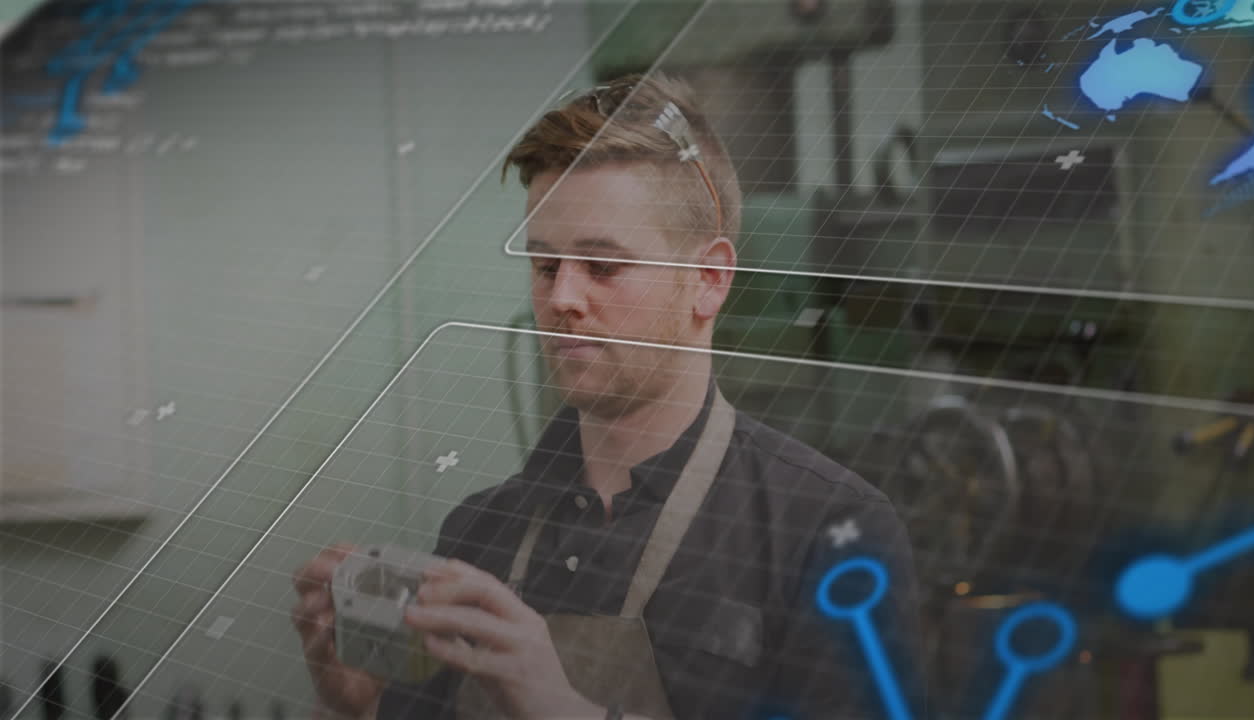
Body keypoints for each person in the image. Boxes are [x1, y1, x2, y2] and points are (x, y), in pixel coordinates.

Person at [292, 72, 923, 720]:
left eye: (603, 266)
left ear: (708, 279)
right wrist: (362, 709)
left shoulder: (825, 533)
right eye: (545, 266)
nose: (562, 298)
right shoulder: (479, 531)